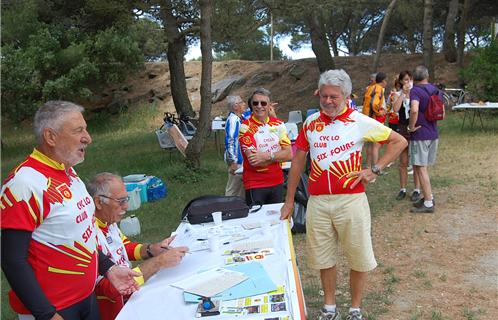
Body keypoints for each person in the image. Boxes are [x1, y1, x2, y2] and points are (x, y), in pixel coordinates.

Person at [280, 70, 406, 320]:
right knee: (323, 257)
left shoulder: (359, 120)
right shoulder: (310, 123)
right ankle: (329, 308)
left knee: (358, 256)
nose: (328, 101)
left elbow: (399, 141)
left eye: (334, 97)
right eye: (324, 96)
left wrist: (376, 169)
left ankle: (355, 308)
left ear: (346, 96)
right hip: (318, 201)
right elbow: (297, 162)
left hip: (351, 201)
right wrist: (290, 199)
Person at [1, 101, 140, 320]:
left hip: (86, 298)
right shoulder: (24, 183)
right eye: (78, 131)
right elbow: (12, 259)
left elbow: (79, 235)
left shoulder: (69, 171)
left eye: (85, 129)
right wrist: (47, 315)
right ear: (51, 137)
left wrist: (108, 268)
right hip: (54, 310)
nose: (88, 137)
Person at [87, 173, 189, 320]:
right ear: (98, 202)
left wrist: (152, 249)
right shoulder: (87, 234)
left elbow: (124, 247)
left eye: (126, 199)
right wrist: (158, 262)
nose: (126, 206)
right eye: (121, 201)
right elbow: (110, 289)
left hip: (131, 296)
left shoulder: (107, 220)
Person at [238, 87, 293, 206]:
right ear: (251, 106)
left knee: (276, 220)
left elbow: (289, 154)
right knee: (257, 221)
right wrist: (278, 156)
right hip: (255, 184)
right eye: (255, 103)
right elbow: (254, 160)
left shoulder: (278, 124)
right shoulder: (245, 127)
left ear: (269, 106)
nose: (259, 106)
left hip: (277, 181)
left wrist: (266, 156)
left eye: (263, 103)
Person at [408, 65, 443, 213]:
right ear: (427, 76)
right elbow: (442, 113)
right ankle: (427, 195)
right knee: (421, 167)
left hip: (420, 134)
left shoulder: (415, 91)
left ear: (414, 78)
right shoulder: (436, 90)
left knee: (421, 168)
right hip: (433, 133)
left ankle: (428, 203)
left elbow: (414, 109)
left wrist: (411, 126)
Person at [391, 71, 421, 201]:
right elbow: (396, 109)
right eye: (405, 80)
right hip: (402, 128)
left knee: (416, 161)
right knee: (403, 162)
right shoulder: (398, 94)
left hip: (415, 128)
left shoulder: (417, 93)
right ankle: (402, 189)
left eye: (409, 79)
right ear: (401, 82)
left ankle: (417, 189)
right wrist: (403, 94)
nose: (407, 82)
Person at [362, 72, 388, 169]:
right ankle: (375, 168)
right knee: (376, 145)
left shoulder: (370, 88)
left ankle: (368, 165)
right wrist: (378, 112)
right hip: (373, 119)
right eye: (386, 81)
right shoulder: (379, 89)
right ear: (383, 81)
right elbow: (374, 104)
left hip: (366, 118)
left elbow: (364, 101)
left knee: (369, 143)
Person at [224, 96, 247, 198]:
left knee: (242, 190)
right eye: (241, 102)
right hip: (236, 161)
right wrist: (233, 162)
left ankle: (239, 209)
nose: (244, 104)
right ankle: (226, 208)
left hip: (242, 160)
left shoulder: (240, 118)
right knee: (233, 189)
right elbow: (230, 141)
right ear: (235, 106)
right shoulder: (233, 120)